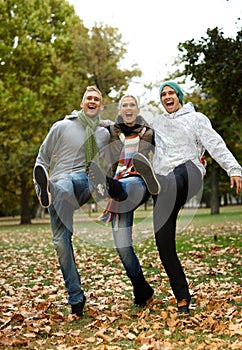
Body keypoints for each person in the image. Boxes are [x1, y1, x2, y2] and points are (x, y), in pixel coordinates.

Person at [133, 81, 242, 315]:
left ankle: (159, 183)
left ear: (179, 96)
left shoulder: (196, 119)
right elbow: (130, 126)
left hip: (189, 172)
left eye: (171, 93)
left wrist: (233, 168)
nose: (167, 97)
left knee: (179, 173)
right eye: (163, 94)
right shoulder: (158, 123)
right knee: (163, 244)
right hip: (163, 183)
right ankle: (182, 298)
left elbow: (215, 143)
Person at [33, 86, 110, 317]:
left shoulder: (104, 133)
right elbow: (42, 158)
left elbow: (128, 132)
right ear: (82, 102)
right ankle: (76, 298)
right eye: (89, 98)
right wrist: (40, 187)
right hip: (56, 190)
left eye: (97, 99)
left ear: (101, 106)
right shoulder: (61, 126)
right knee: (61, 243)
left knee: (72, 180)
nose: (93, 101)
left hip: (85, 182)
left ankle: (53, 190)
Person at [87, 95, 160, 308]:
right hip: (117, 187)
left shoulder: (149, 132)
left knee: (128, 186)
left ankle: (110, 186)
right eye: (124, 105)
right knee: (122, 247)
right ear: (120, 109)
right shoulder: (112, 131)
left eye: (132, 105)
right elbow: (93, 121)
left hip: (139, 182)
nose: (128, 108)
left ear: (137, 109)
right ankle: (142, 290)